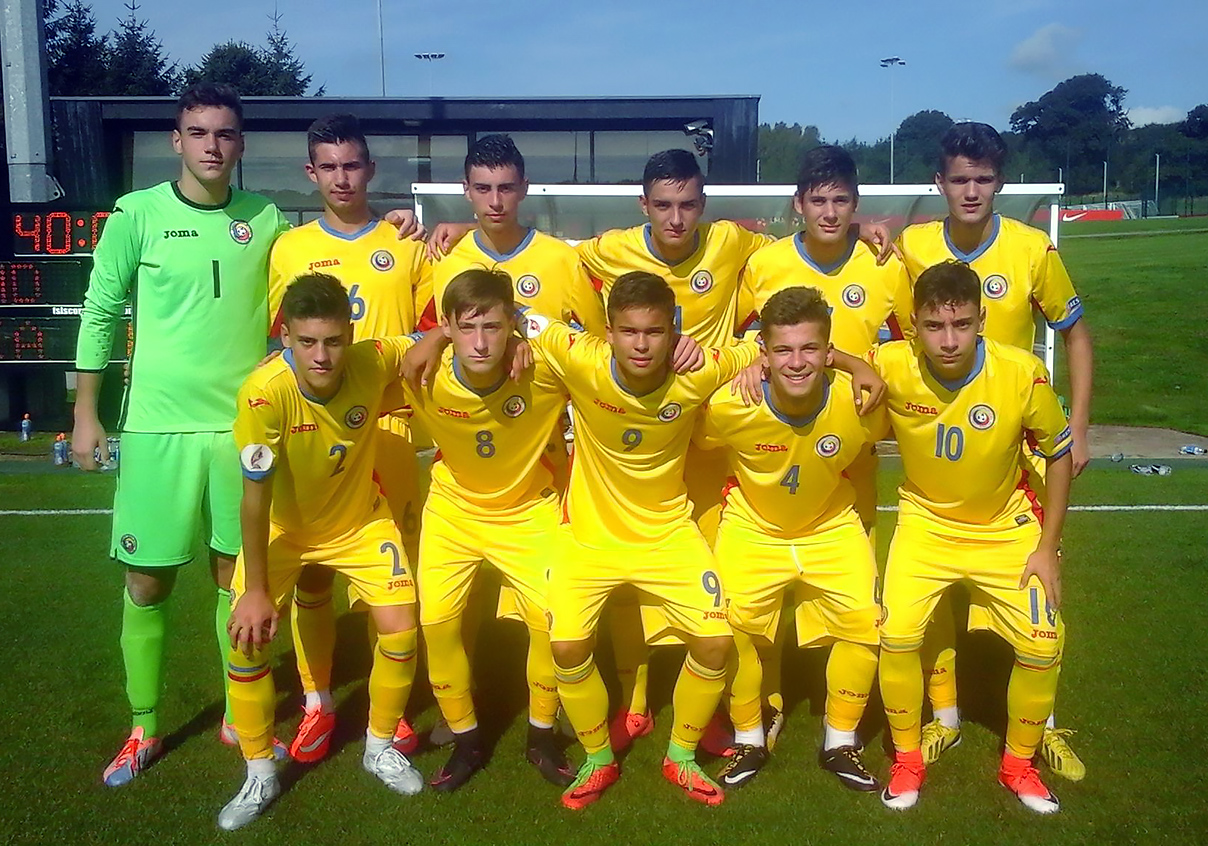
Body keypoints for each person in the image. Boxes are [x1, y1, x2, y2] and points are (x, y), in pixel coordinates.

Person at [74, 82, 292, 786]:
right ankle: (144, 726)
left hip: (240, 428)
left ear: (240, 143)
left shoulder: (266, 218)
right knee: (147, 580)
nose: (212, 146)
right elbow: (101, 310)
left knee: (237, 574)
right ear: (177, 140)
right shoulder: (136, 214)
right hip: (156, 428)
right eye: (198, 132)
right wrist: (86, 413)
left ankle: (239, 712)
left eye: (225, 133)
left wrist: (409, 227)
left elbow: (321, 265)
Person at [897, 122, 1093, 779]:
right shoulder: (914, 245)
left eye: (983, 179)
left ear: (1000, 183)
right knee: (934, 587)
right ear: (940, 183)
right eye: (960, 179)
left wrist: (1079, 426)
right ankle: (945, 718)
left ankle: (1043, 727)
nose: (972, 190)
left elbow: (1076, 335)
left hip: (1020, 439)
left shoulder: (1032, 249)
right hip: (946, 438)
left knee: (1040, 581)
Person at [521, 271, 756, 808]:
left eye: (655, 332)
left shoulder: (698, 370)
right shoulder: (580, 358)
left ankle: (681, 757)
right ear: (608, 333)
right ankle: (598, 759)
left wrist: (756, 363)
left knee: (716, 641)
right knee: (566, 645)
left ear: (674, 331)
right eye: (629, 332)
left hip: (667, 534)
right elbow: (518, 314)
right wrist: (450, 339)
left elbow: (762, 344)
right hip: (589, 537)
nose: (642, 345)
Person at [219, 273, 424, 830]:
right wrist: (256, 590)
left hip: (359, 523)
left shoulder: (371, 357)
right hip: (284, 530)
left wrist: (450, 338)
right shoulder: (263, 394)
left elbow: (431, 338)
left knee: (401, 629)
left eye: (333, 341)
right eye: (307, 341)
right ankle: (260, 769)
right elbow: (254, 500)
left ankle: (379, 746)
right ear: (285, 337)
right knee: (247, 639)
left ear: (349, 335)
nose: (322, 356)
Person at [872, 260, 1071, 814]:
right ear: (913, 326)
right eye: (934, 326)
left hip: (1004, 528)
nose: (949, 340)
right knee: (897, 635)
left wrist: (1047, 548)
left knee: (1044, 642)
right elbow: (821, 360)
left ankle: (1019, 766)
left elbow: (1058, 455)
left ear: (982, 320)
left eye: (961, 324)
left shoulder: (1022, 372)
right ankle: (907, 760)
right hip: (926, 524)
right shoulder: (892, 363)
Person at [265, 113, 428, 763]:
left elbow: (432, 331)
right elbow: (276, 343)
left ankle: (392, 710)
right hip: (316, 431)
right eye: (328, 167)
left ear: (370, 169)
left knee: (390, 575)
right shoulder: (289, 247)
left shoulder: (405, 243)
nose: (341, 178)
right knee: (311, 575)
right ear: (311, 173)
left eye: (352, 165)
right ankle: (318, 701)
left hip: (389, 429)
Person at [698, 286, 884, 792]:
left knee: (866, 623)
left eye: (809, 349)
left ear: (829, 352)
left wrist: (859, 366)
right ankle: (749, 737)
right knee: (727, 625)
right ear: (763, 352)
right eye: (782, 350)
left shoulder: (860, 400)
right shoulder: (731, 405)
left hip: (830, 525)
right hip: (754, 526)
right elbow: (689, 430)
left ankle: (840, 741)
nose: (796, 363)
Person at [400, 268, 575, 791]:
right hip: (453, 510)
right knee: (437, 622)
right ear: (448, 327)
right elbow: (352, 353)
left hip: (527, 510)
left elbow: (605, 349)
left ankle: (541, 734)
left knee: (551, 621)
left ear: (512, 324)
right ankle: (467, 739)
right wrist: (283, 360)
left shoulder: (543, 370)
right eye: (467, 328)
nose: (480, 343)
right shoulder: (422, 367)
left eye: (493, 328)